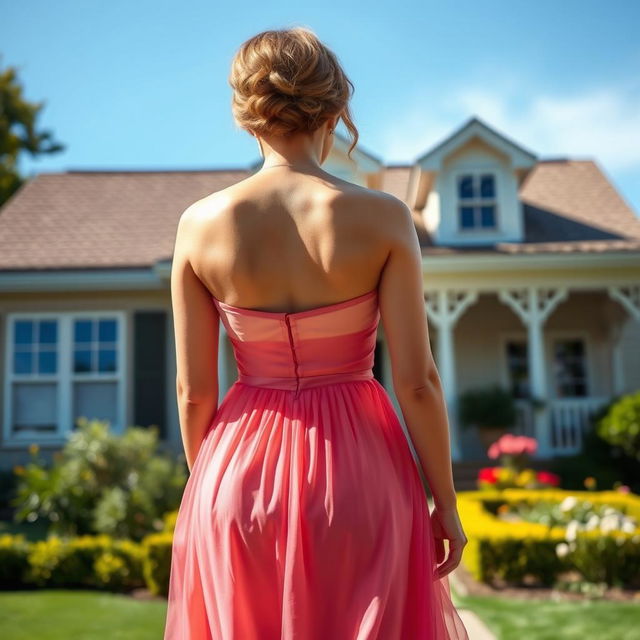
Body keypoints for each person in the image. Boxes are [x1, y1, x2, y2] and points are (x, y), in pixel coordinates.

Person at [165, 25, 469, 640]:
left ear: (246, 115)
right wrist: (447, 503)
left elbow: (194, 392)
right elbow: (416, 382)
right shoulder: (383, 218)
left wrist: (208, 488)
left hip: (235, 474)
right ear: (336, 109)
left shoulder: (198, 225)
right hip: (361, 469)